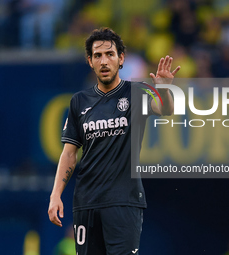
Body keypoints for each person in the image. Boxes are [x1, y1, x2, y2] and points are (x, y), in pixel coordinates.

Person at [48, 27, 180, 255]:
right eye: (97, 56)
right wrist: (55, 194)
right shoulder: (79, 101)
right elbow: (69, 152)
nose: (104, 61)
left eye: (110, 54)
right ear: (90, 61)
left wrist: (164, 89)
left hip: (124, 202)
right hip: (86, 203)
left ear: (121, 58)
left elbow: (164, 109)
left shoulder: (138, 92)